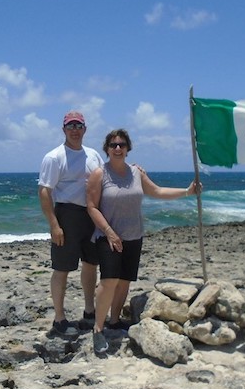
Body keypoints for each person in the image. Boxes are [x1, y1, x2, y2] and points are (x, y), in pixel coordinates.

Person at [86, 129, 200, 354]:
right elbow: (91, 207)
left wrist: (187, 191)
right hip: (108, 237)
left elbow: (157, 191)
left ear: (128, 148)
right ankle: (98, 330)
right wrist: (109, 232)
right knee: (109, 281)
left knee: (124, 282)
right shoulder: (100, 174)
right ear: (107, 149)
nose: (117, 148)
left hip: (133, 236)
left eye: (122, 144)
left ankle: (115, 321)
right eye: (113, 145)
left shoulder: (137, 172)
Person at [38, 111, 104, 337]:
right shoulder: (54, 157)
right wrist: (54, 225)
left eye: (79, 126)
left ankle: (89, 312)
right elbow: (45, 191)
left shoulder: (93, 155)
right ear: (63, 129)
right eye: (70, 126)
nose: (75, 130)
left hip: (92, 214)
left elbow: (105, 181)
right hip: (67, 215)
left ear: (85, 129)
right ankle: (59, 319)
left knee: (90, 263)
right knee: (62, 268)